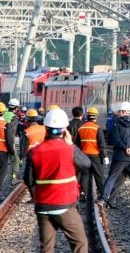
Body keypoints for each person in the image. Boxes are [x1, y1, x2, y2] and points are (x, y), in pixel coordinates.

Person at [23, 108, 91, 253]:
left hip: (43, 207)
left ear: (45, 128)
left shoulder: (34, 152)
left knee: (46, 248)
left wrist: (37, 197)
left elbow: (28, 179)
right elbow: (86, 164)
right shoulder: (69, 149)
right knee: (80, 243)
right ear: (64, 129)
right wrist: (70, 144)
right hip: (65, 205)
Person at [96, 101, 130, 209]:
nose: (119, 113)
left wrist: (126, 148)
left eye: (120, 111)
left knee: (111, 178)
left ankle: (102, 199)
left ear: (124, 111)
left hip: (120, 156)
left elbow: (116, 139)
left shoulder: (116, 124)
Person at [75, 107, 107, 200]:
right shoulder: (97, 128)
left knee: (85, 175)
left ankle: (83, 193)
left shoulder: (81, 128)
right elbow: (101, 143)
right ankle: (101, 194)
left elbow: (78, 144)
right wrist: (104, 155)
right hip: (96, 156)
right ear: (95, 117)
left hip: (84, 155)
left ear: (87, 116)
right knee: (99, 175)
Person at [0, 102, 15, 193]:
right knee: (1, 174)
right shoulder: (5, 125)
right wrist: (12, 152)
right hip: (2, 153)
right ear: (4, 112)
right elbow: (9, 141)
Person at [5, 98, 21, 181]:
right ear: (16, 108)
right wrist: (12, 144)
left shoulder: (3, 114)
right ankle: (14, 179)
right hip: (8, 141)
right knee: (16, 160)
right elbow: (11, 132)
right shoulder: (14, 118)